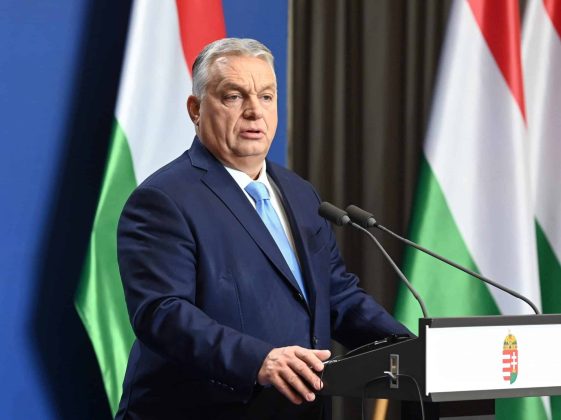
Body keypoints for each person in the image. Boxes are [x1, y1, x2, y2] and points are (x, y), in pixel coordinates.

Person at [116, 38, 410, 420]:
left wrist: (412, 349)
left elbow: (337, 296)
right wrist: (259, 360)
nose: (255, 111)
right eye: (234, 96)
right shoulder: (163, 200)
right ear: (195, 109)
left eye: (266, 96)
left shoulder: (300, 194)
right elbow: (163, 314)